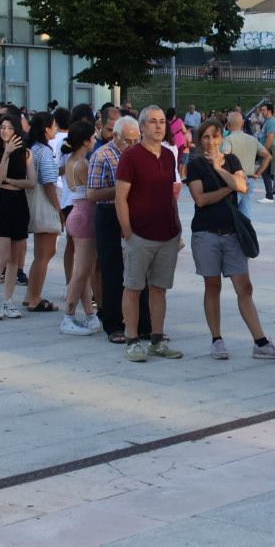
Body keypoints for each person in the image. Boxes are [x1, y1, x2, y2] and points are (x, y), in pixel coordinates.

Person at [185, 118, 275, 361]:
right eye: (205, 137)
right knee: (213, 286)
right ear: (200, 140)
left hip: (232, 233)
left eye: (215, 136)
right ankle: (216, 339)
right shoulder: (195, 164)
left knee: (244, 287)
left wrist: (220, 170)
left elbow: (244, 187)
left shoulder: (231, 160)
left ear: (222, 138)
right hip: (206, 233)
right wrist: (230, 187)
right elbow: (201, 199)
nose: (210, 142)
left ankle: (260, 341)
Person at [116, 107, 184, 362]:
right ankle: (132, 340)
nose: (158, 126)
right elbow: (120, 198)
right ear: (142, 126)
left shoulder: (168, 155)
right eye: (153, 122)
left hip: (167, 234)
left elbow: (170, 193)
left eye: (162, 122)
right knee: (133, 287)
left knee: (159, 289)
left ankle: (157, 338)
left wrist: (177, 227)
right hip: (140, 235)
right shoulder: (131, 156)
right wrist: (128, 233)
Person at [88, 116, 151, 342]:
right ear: (115, 136)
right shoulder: (102, 155)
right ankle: (113, 324)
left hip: (137, 214)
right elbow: (92, 194)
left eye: (137, 139)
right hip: (109, 215)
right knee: (113, 270)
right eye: (128, 140)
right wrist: (120, 189)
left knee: (139, 270)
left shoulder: (142, 153)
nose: (133, 145)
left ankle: (144, 324)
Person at [0, 114, 35, 319]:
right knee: (2, 255)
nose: (5, 131)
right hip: (1, 204)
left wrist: (12, 182)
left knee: (16, 257)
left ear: (17, 131)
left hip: (19, 204)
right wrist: (7, 154)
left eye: (10, 128)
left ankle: (8, 300)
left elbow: (31, 182)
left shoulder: (27, 153)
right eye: (2, 127)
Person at [58, 121, 102, 335]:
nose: (94, 141)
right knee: (82, 270)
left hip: (77, 213)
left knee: (85, 269)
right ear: (85, 141)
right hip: (85, 215)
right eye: (92, 138)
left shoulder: (70, 161)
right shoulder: (82, 164)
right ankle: (68, 315)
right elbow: (93, 191)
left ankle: (90, 315)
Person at [23, 113, 63, 312]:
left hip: (32, 202)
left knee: (40, 254)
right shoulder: (44, 151)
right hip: (45, 204)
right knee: (44, 254)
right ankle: (35, 298)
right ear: (46, 129)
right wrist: (58, 209)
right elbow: (48, 183)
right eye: (53, 126)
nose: (55, 129)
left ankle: (30, 294)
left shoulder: (33, 148)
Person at [223, 111, 268, 202]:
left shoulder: (228, 140)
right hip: (250, 179)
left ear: (228, 124)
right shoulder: (252, 139)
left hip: (234, 181)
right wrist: (258, 173)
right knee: (246, 214)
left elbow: (225, 156)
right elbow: (268, 156)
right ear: (243, 123)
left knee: (231, 212)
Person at [258, 102, 275, 202]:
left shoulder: (271, 121)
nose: (262, 112)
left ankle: (269, 196)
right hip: (270, 149)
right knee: (271, 173)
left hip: (270, 149)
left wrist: (264, 151)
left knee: (266, 173)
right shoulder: (268, 121)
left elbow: (270, 137)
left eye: (263, 110)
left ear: (269, 111)